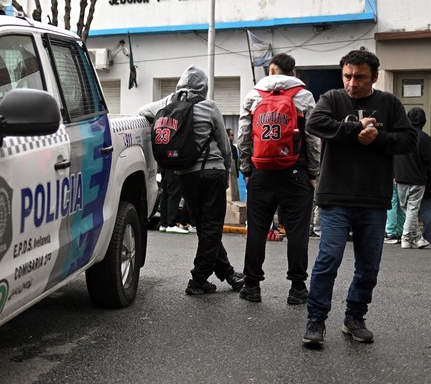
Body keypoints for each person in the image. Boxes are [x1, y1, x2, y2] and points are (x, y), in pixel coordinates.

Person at [301, 49, 416, 347]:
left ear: (374, 76)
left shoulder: (389, 103)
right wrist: (354, 130)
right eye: (348, 76)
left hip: (373, 198)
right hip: (334, 196)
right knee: (328, 259)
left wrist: (379, 137)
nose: (352, 83)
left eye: (360, 77)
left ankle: (355, 317)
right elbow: (313, 124)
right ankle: (316, 320)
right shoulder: (332, 99)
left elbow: (408, 140)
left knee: (368, 266)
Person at [140, 65, 245, 295]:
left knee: (205, 228)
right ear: (203, 87)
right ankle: (198, 279)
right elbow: (225, 146)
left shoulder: (168, 105)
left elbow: (143, 113)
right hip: (212, 173)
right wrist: (228, 170)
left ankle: (228, 273)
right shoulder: (208, 107)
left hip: (186, 175)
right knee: (211, 228)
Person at [236, 52, 320, 305]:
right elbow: (313, 139)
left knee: (257, 230)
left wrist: (247, 170)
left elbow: (243, 135)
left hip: (261, 172)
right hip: (296, 171)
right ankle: (297, 288)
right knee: (297, 231)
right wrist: (313, 172)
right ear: (293, 73)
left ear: (271, 71)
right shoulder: (304, 97)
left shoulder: (253, 96)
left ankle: (251, 285)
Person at [393, 107, 431, 249]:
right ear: (424, 121)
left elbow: (393, 155)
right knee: (412, 209)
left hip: (401, 177)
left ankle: (415, 238)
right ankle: (408, 237)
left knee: (407, 208)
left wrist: (394, 174)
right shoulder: (424, 138)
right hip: (417, 178)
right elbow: (428, 159)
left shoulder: (400, 135)